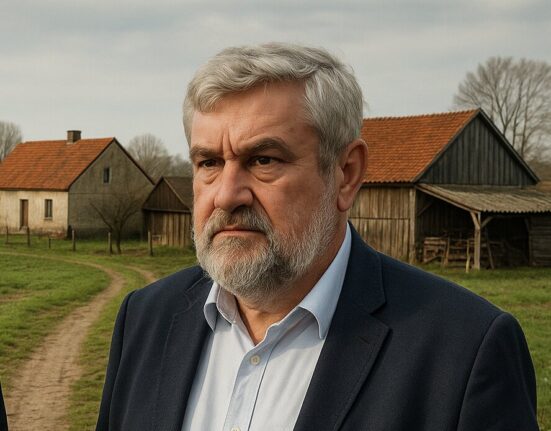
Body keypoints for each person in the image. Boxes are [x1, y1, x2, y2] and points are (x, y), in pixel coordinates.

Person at [96, 43, 538, 431]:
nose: (226, 195)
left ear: (346, 174)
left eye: (264, 160)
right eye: (209, 163)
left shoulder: (465, 351)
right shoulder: (145, 320)